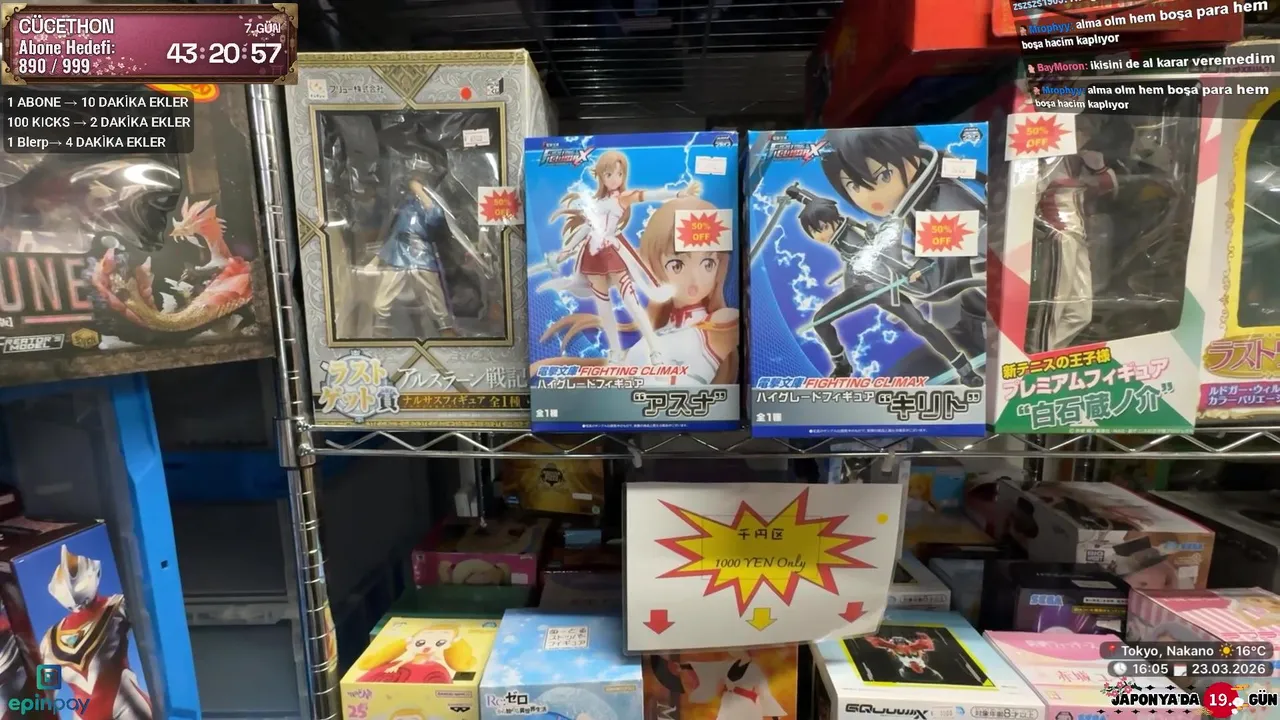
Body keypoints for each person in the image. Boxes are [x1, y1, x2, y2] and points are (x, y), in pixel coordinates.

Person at [539, 150, 700, 363]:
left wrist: (678, 193)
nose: (615, 179)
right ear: (601, 176)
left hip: (612, 252)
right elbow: (586, 228)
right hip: (592, 255)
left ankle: (655, 349)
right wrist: (567, 249)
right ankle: (615, 350)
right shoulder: (596, 202)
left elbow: (648, 195)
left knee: (631, 302)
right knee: (603, 306)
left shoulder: (623, 197)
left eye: (619, 174)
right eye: (609, 174)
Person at [621, 196, 738, 384]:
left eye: (708, 264)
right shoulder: (657, 332)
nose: (695, 280)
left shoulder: (721, 322)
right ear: (654, 266)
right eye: (677, 265)